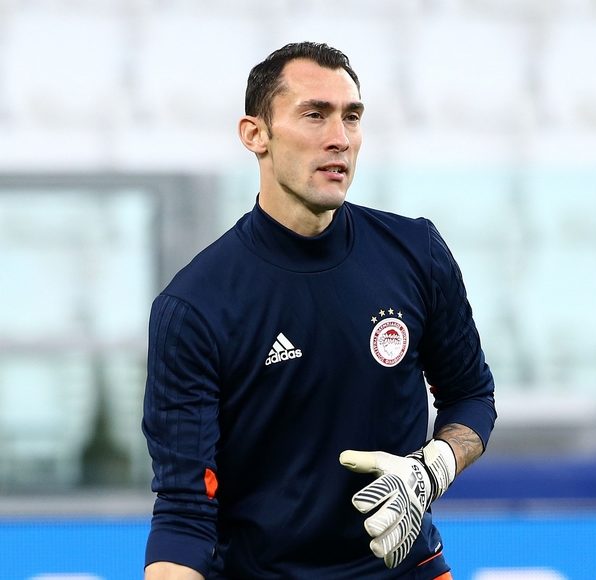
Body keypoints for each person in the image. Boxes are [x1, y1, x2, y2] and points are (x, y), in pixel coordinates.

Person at [142, 41, 497, 579]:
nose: (340, 138)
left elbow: (471, 395)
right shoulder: (195, 306)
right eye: (315, 115)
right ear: (255, 134)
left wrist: (432, 469)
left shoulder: (416, 253)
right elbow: (185, 510)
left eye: (351, 117)